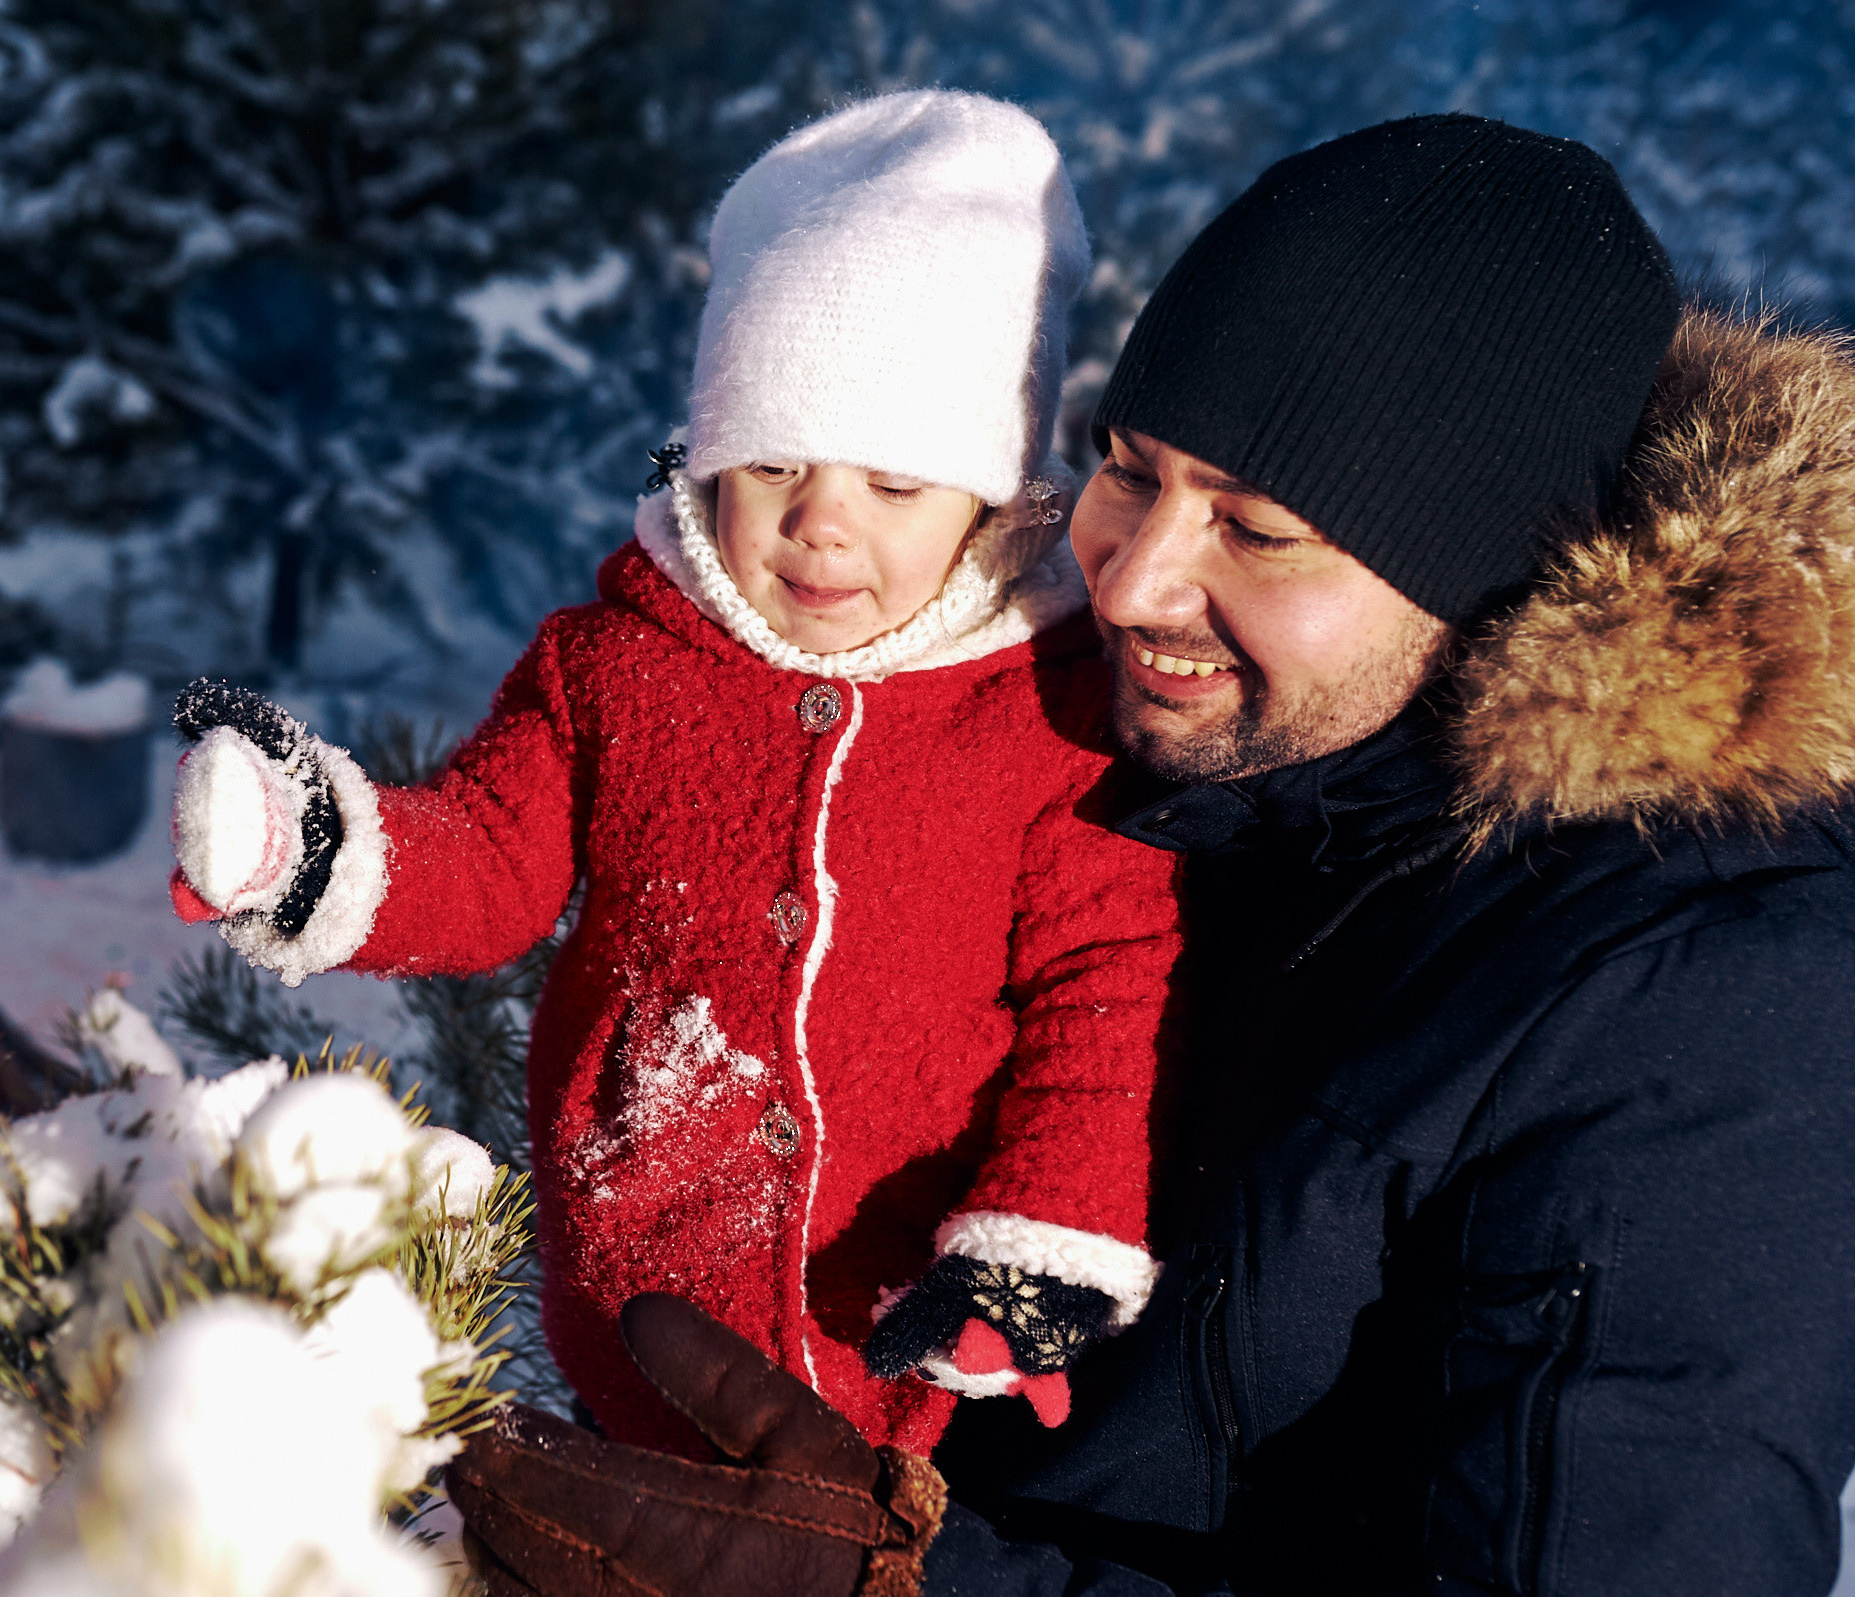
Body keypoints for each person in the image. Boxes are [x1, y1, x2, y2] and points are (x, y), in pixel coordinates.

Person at [446, 113, 1855, 1594]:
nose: (1130, 577)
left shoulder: (1706, 1003)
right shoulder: (1177, 764)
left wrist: (894, 1583)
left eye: (1257, 528)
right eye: (1131, 467)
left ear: (1485, 567)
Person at [165, 91, 1183, 1456]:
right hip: (643, 1316)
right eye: (771, 463)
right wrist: (317, 846)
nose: (821, 523)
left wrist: (1042, 1239)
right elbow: (490, 853)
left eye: (896, 482)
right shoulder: (618, 661)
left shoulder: (1043, 712)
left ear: (995, 498)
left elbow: (1104, 984)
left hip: (930, 1352)